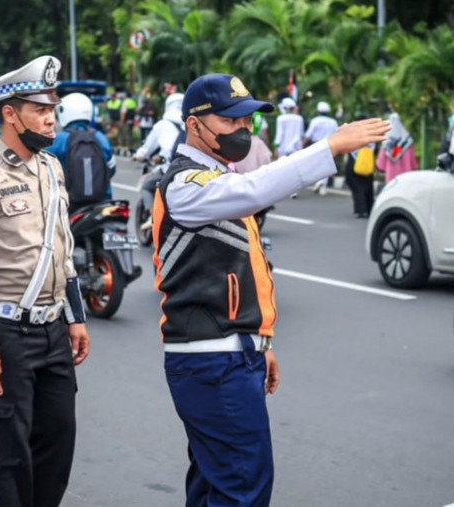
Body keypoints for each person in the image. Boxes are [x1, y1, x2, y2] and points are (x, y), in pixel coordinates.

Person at [153, 73, 390, 507]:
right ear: (194, 124)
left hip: (229, 354)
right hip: (212, 362)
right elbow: (253, 188)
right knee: (242, 488)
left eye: (248, 122)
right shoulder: (187, 185)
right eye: (231, 121)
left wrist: (259, 341)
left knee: (214, 483)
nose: (243, 130)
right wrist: (329, 148)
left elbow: (243, 271)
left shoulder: (216, 178)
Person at [0, 55, 90, 507]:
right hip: (4, 335)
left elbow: (61, 248)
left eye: (53, 108)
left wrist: (76, 318)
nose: (51, 118)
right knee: (9, 458)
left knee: (57, 446)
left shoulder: (51, 168)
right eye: (40, 109)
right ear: (9, 113)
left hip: (52, 333)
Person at [47, 92, 116, 208]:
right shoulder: (101, 137)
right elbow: (112, 169)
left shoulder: (58, 139)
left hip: (68, 204)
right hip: (102, 202)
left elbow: (44, 169)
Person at [132, 93, 185, 230]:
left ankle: (153, 215)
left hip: (169, 167)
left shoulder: (162, 125)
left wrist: (138, 156)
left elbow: (147, 149)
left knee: (147, 185)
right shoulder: (188, 123)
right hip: (189, 168)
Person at [303, 101, 339, 194]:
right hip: (330, 144)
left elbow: (308, 135)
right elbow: (337, 134)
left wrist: (303, 145)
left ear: (318, 111)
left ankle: (320, 182)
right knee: (327, 164)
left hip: (317, 144)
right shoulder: (333, 122)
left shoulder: (315, 121)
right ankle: (323, 185)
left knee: (317, 164)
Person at [377, 112, 418, 183]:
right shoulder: (407, 141)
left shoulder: (386, 141)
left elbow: (381, 164)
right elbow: (413, 161)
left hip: (391, 177)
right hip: (406, 176)